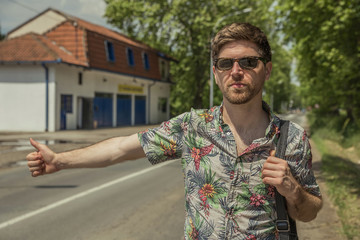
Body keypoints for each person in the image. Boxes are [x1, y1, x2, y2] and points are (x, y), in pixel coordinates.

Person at [27, 22, 322, 239]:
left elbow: (309, 212)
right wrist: (60, 161)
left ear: (266, 69)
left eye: (248, 62)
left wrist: (293, 190)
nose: (236, 71)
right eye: (225, 63)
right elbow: (121, 148)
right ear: (216, 72)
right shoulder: (191, 127)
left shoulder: (291, 138)